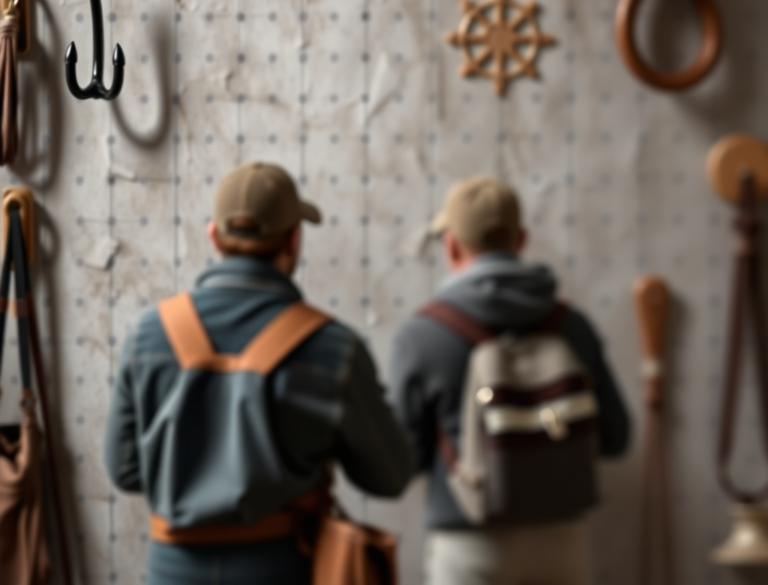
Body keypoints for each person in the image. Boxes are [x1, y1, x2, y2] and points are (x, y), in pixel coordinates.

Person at [104, 161, 412, 585]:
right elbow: (389, 476)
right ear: (293, 240)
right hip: (281, 568)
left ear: (214, 235)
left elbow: (125, 471)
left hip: (172, 572)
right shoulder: (333, 347)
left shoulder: (147, 333)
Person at [390, 175, 630, 585]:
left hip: (468, 543)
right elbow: (616, 438)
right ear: (520, 240)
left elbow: (403, 464)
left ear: (450, 245)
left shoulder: (421, 334)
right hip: (561, 540)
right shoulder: (572, 326)